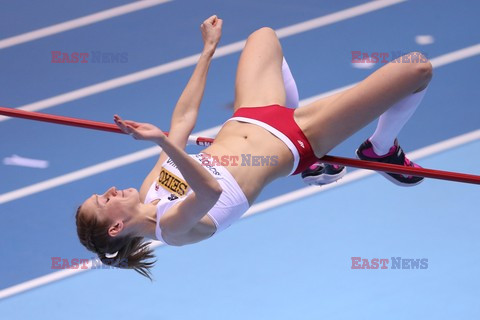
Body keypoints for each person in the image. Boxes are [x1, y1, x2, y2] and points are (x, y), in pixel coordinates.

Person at [76, 15, 432, 279]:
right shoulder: (172, 229)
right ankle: (381, 150)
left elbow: (183, 120)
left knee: (263, 37)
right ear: (115, 228)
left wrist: (207, 52)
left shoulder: (147, 191)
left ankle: (316, 168)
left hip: (253, 113)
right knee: (416, 70)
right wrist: (162, 143)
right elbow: (209, 190)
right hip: (297, 140)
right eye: (103, 201)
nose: (108, 191)